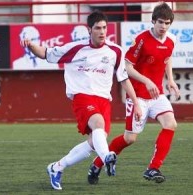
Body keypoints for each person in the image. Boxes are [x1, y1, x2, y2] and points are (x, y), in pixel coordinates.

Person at [20, 11, 142, 190]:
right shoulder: (75, 48)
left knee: (94, 142)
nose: (102, 32)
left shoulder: (115, 51)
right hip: (82, 97)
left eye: (104, 28)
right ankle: (107, 156)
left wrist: (136, 103)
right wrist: (31, 46)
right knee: (98, 124)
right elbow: (45, 53)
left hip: (103, 101)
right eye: (98, 28)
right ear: (89, 30)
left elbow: (123, 78)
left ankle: (57, 167)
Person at [88, 2, 180, 184]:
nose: (163, 27)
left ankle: (153, 168)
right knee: (130, 139)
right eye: (160, 22)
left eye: (167, 23)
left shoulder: (171, 40)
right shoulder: (141, 40)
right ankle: (97, 163)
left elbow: (168, 58)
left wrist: (170, 79)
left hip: (157, 95)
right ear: (153, 21)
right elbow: (127, 67)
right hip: (137, 97)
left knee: (170, 124)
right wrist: (147, 81)